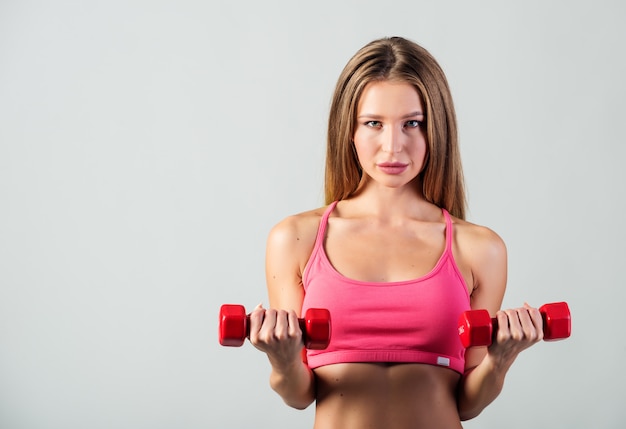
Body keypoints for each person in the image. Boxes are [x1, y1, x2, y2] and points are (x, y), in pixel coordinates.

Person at [248, 36, 544, 428]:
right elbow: (299, 395)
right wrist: (283, 359)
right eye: (373, 123)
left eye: (412, 124)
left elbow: (468, 404)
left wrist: (501, 359)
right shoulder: (295, 239)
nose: (393, 146)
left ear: (436, 130)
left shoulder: (479, 249)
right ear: (348, 131)